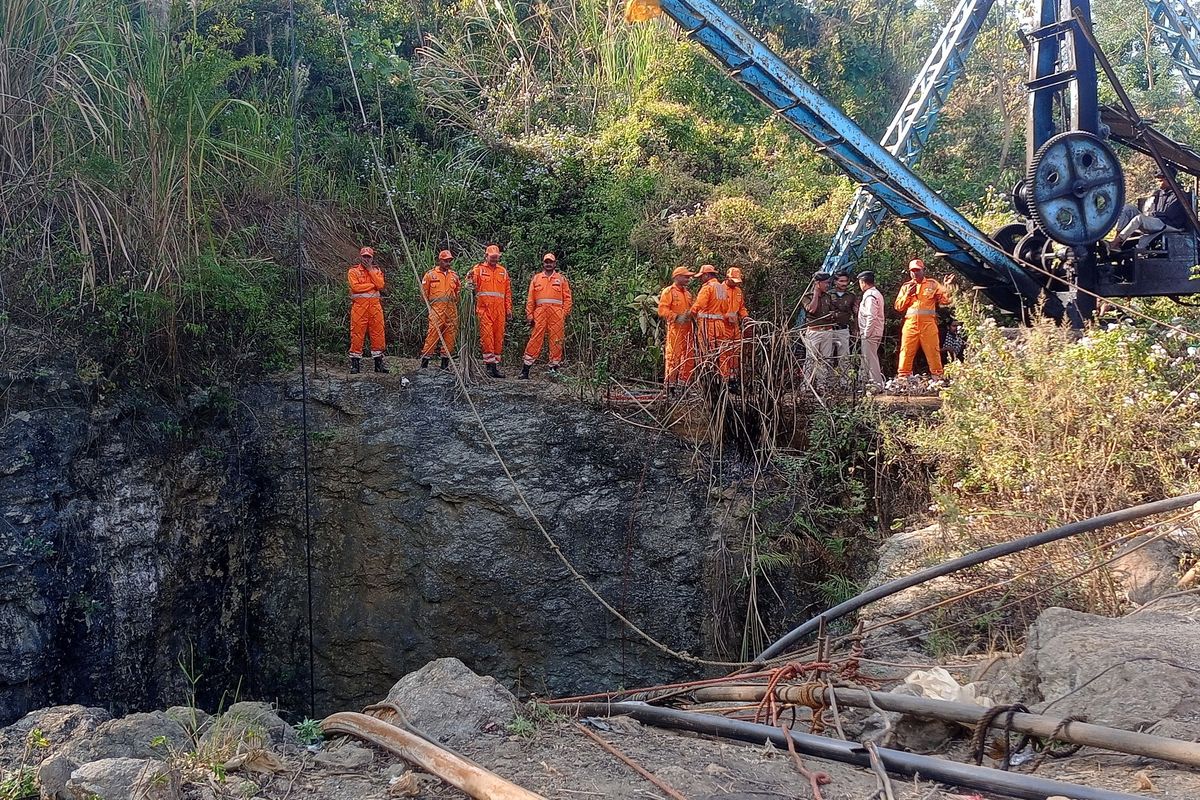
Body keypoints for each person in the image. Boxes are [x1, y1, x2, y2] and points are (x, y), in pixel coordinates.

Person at [895, 258, 950, 381]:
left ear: (923, 270)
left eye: (917, 270)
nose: (915, 273)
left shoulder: (933, 284)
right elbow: (898, 307)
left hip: (928, 324)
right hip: (910, 324)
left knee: (933, 351)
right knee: (906, 351)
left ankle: (938, 378)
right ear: (909, 272)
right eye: (913, 270)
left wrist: (946, 286)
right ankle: (903, 379)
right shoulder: (906, 287)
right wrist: (908, 294)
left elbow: (946, 301)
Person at [1110, 168, 1193, 249]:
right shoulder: (1158, 193)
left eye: (1160, 181)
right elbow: (1149, 210)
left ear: (1169, 180)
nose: (1158, 183)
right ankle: (1116, 240)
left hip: (1168, 224)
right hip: (1155, 221)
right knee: (1127, 208)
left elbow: (1169, 214)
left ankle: (1114, 243)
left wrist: (1151, 215)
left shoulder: (1179, 195)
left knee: (1139, 219)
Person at [521, 253, 573, 379]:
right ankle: (525, 370)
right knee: (535, 340)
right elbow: (530, 299)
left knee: (556, 341)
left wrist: (563, 313)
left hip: (556, 315)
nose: (548, 264)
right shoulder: (536, 278)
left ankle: (554, 370)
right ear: (543, 264)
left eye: (551, 262)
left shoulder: (561, 279)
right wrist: (529, 314)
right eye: (546, 262)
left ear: (555, 264)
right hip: (539, 314)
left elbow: (568, 298)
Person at [467, 244, 513, 378]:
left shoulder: (503, 271)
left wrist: (508, 309)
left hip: (500, 311)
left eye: (496, 257)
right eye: (492, 257)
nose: (494, 259)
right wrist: (469, 281)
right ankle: (489, 366)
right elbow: (469, 284)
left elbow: (507, 292)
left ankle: (495, 367)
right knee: (487, 338)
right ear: (486, 256)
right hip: (484, 309)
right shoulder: (478, 270)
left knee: (498, 338)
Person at [347, 246, 388, 374]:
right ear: (360, 257)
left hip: (375, 308)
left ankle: (378, 364)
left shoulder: (376, 270)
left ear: (372, 258)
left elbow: (380, 285)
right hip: (359, 308)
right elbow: (355, 288)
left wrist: (370, 271)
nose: (366, 259)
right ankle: (355, 365)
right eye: (364, 256)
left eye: (368, 257)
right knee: (357, 335)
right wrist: (372, 285)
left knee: (378, 334)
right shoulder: (353, 271)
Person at [689, 264, 734, 378]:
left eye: (702, 276)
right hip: (720, 326)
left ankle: (710, 380)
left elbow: (700, 304)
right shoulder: (721, 287)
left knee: (707, 353)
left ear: (707, 275)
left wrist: (689, 314)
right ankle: (725, 378)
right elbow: (725, 308)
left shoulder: (707, 288)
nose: (700, 279)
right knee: (721, 353)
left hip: (707, 325)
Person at [420, 249, 461, 370]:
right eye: (445, 261)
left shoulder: (454, 276)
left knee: (450, 335)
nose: (448, 263)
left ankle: (445, 364)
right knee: (433, 334)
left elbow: (458, 291)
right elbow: (423, 293)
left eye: (449, 261)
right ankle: (425, 363)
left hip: (451, 309)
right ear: (440, 261)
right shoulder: (430, 275)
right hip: (437, 309)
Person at [657, 267, 695, 391]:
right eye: (685, 276)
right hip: (676, 329)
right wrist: (676, 317)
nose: (688, 279)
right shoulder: (669, 292)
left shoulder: (688, 294)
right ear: (677, 277)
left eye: (688, 277)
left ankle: (683, 384)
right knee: (673, 357)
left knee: (688, 357)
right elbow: (662, 310)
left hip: (688, 330)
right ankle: (670, 385)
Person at [828, 272, 859, 378]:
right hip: (829, 329)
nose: (844, 283)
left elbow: (855, 314)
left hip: (843, 329)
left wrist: (856, 329)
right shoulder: (828, 294)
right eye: (841, 281)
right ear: (835, 282)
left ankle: (845, 382)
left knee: (844, 357)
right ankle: (829, 382)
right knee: (828, 357)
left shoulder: (851, 296)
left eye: (845, 281)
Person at [857, 271, 884, 390]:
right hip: (875, 331)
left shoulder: (870, 296)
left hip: (870, 333)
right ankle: (865, 383)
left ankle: (876, 385)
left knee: (871, 359)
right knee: (867, 358)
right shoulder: (876, 293)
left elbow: (871, 316)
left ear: (863, 282)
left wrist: (866, 333)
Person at [723, 267, 750, 381]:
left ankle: (733, 379)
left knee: (735, 352)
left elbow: (741, 307)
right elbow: (714, 309)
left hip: (735, 327)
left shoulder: (738, 291)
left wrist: (746, 317)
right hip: (723, 327)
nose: (735, 283)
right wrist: (726, 316)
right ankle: (724, 378)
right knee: (724, 352)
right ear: (727, 278)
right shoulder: (720, 289)